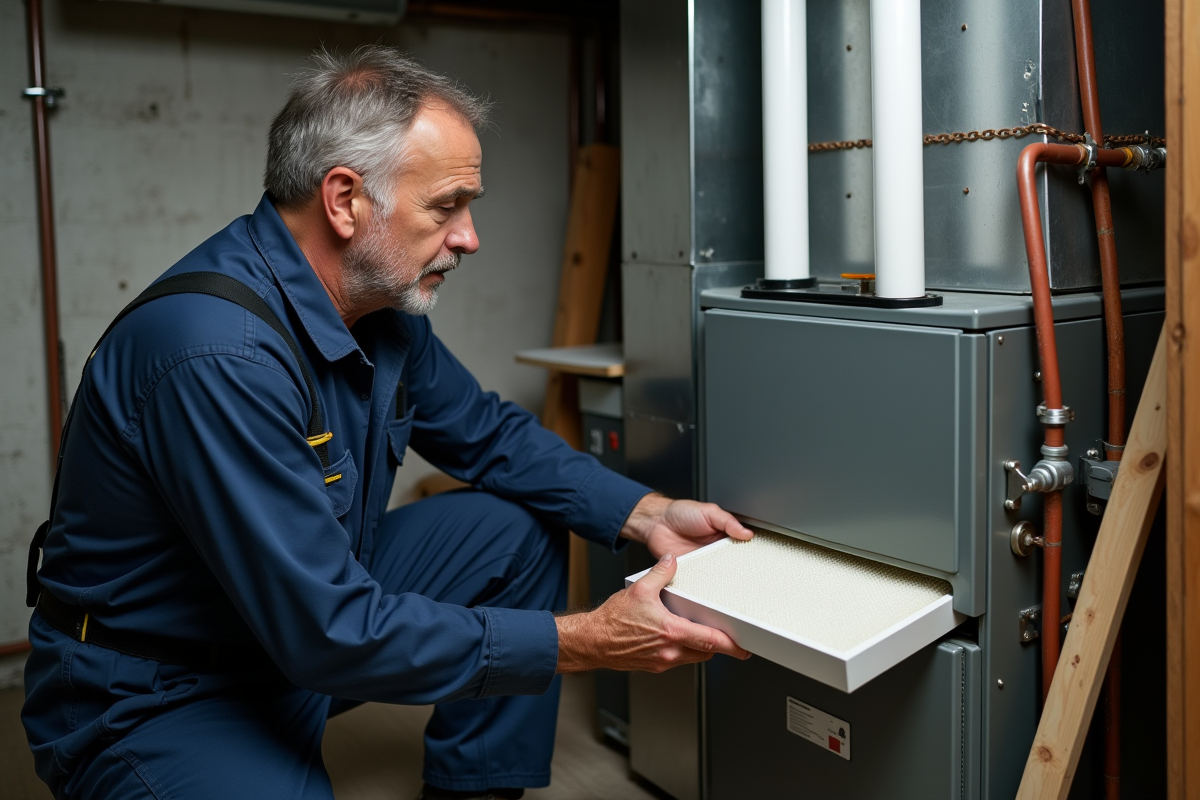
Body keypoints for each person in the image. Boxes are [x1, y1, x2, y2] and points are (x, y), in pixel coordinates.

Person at [22, 45, 752, 800]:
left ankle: (475, 789)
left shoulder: (379, 312)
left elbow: (488, 435)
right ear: (344, 200)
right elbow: (328, 631)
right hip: (162, 688)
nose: (469, 237)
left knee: (513, 532)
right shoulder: (215, 353)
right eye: (446, 206)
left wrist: (647, 513)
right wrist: (584, 641)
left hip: (294, 624)